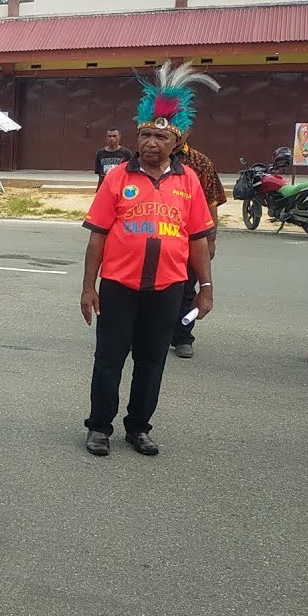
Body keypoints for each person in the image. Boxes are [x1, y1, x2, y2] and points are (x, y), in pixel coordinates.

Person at [81, 61, 217, 458]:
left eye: (160, 135)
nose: (151, 142)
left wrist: (205, 288)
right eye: (145, 134)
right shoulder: (117, 177)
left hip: (168, 288)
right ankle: (99, 428)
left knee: (152, 362)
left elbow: (198, 239)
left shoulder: (188, 180)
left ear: (176, 141)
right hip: (119, 287)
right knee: (108, 361)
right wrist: (88, 287)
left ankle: (138, 427)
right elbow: (98, 237)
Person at [170, 140, 226, 358]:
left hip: (190, 239)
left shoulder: (200, 163)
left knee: (185, 291)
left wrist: (210, 240)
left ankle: (183, 337)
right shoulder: (146, 162)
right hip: (157, 239)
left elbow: (211, 203)